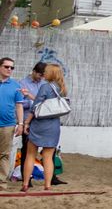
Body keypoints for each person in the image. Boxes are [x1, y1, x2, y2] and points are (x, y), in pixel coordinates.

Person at [22, 63, 67, 192]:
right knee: (48, 157)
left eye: (46, 71)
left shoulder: (45, 87)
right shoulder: (62, 88)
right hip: (53, 125)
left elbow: (35, 106)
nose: (44, 73)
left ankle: (25, 184)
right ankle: (47, 185)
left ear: (51, 73)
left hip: (39, 124)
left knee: (30, 154)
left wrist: (27, 123)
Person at [16, 61, 45, 189]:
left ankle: (51, 176)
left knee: (47, 148)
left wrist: (33, 99)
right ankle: (26, 177)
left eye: (43, 75)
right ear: (33, 71)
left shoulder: (44, 84)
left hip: (42, 120)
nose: (40, 78)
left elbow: (45, 102)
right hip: (29, 118)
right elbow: (21, 104)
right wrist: (35, 101)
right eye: (39, 74)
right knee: (27, 149)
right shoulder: (23, 83)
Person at [0, 57, 22, 182]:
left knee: (4, 154)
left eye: (12, 67)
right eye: (6, 66)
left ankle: (2, 182)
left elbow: (19, 105)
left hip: (8, 125)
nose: (9, 69)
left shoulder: (16, 85)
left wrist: (20, 123)